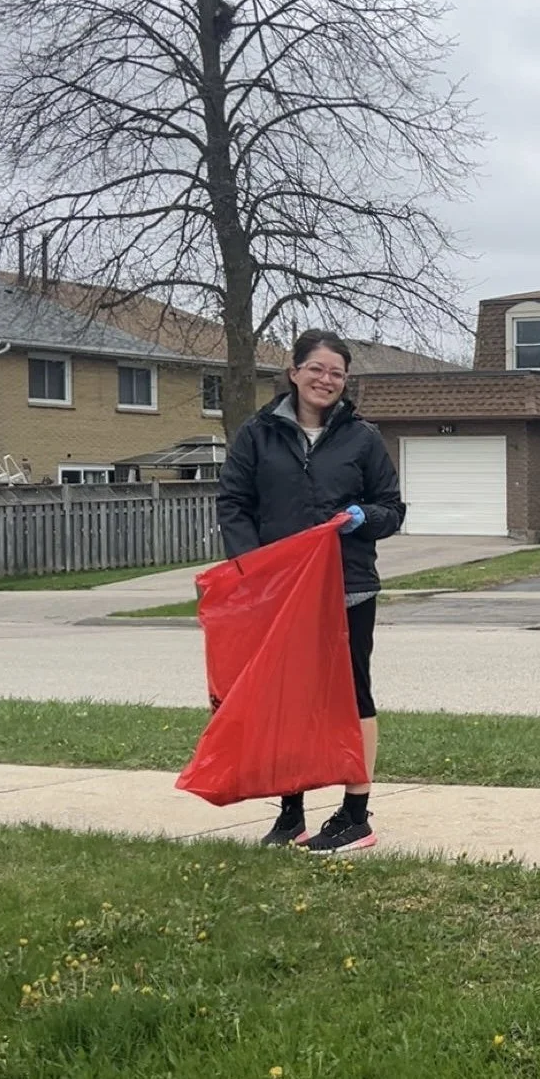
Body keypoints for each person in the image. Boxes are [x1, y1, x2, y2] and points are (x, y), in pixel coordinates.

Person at [215, 330, 406, 853]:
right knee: (289, 701)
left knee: (353, 697)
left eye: (337, 373)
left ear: (345, 383)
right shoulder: (258, 434)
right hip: (282, 594)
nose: (326, 380)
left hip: (349, 589)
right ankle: (291, 813)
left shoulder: (362, 438)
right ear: (294, 372)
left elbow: (393, 509)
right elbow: (233, 503)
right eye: (317, 369)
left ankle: (355, 814)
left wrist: (365, 518)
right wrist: (255, 566)